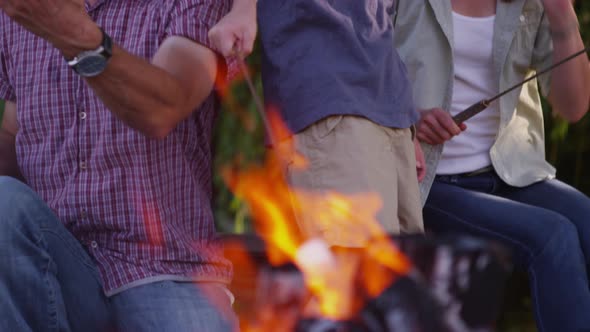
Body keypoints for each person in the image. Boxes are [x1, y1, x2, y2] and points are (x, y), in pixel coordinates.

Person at [0, 0, 256, 330]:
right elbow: (14, 134)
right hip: (54, 270)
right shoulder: (18, 11)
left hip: (167, 271)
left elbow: (162, 107)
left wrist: (70, 33)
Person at [394, 0, 590, 330]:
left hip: (511, 170)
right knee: (553, 237)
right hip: (431, 179)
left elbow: (572, 107)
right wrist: (408, 115)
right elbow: (362, 60)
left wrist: (562, 13)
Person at [256, 0, 426, 246]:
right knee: (361, 277)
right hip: (332, 101)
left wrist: (400, 114)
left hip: (388, 106)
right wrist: (241, 12)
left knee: (404, 279)